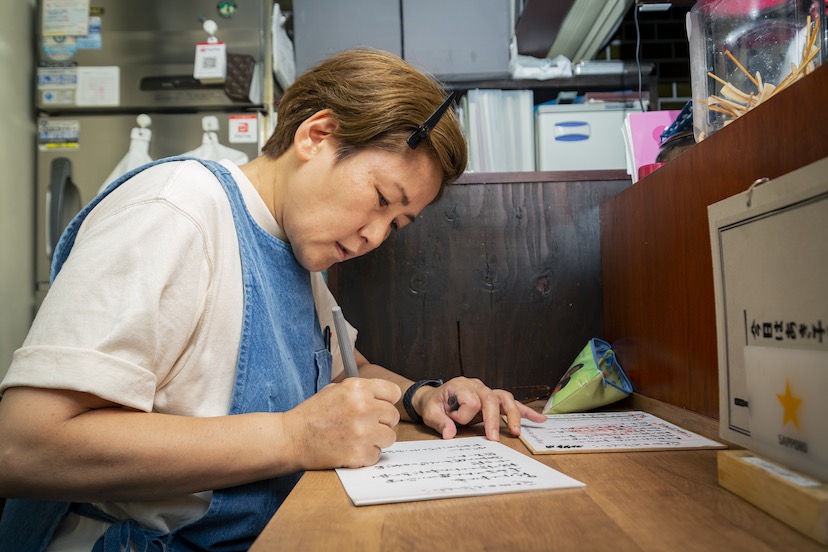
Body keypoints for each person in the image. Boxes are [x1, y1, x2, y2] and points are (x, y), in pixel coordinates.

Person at [0, 48, 546, 550]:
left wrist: (423, 397)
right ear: (317, 134)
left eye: (396, 224)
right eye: (380, 200)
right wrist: (292, 437)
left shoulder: (298, 249)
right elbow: (23, 447)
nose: (376, 237)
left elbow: (341, 374)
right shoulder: (177, 209)